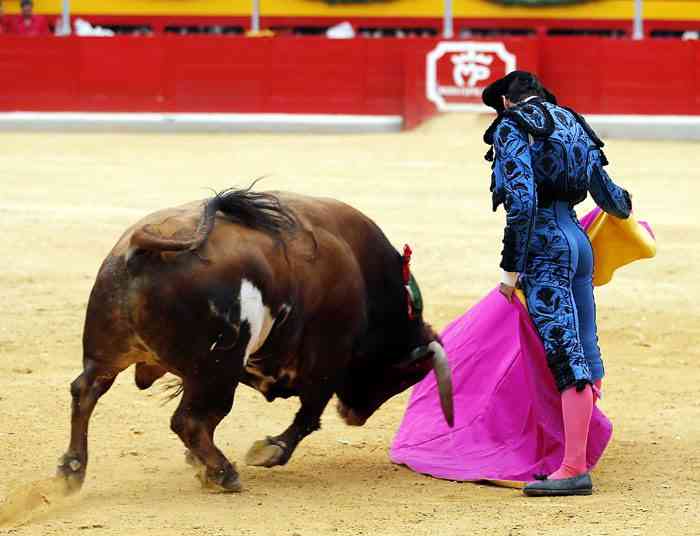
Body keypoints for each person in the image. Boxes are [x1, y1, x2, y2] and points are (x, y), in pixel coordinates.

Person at [482, 71, 632, 496]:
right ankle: (583, 447)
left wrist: (510, 271)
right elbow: (610, 197)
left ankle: (573, 467)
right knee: (587, 347)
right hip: (579, 245)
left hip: (546, 249)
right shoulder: (573, 122)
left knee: (567, 355)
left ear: (506, 103)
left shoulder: (512, 126)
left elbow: (523, 202)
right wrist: (627, 211)